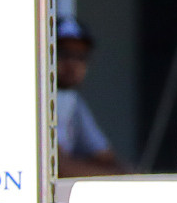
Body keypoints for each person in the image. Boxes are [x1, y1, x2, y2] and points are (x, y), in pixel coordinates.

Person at [54, 17, 127, 176]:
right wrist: (119, 179)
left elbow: (104, 156)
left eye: (80, 56)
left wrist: (132, 179)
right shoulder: (35, 99)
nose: (72, 64)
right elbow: (55, 167)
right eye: (63, 54)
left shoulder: (72, 100)